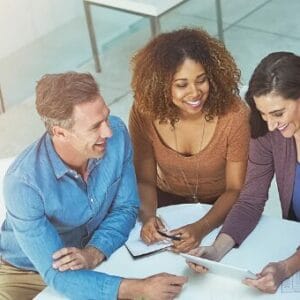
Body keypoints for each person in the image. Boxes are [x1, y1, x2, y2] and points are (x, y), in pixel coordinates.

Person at [0, 72, 187, 300]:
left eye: (106, 118)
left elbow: (125, 207)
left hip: (94, 255)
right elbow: (58, 274)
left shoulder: (116, 135)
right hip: (23, 272)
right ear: (60, 133)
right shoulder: (23, 183)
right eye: (95, 127)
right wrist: (139, 289)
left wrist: (93, 253)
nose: (108, 131)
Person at [129, 28, 250, 253]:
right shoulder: (143, 111)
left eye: (201, 80)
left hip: (220, 208)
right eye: (181, 85)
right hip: (166, 205)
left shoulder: (235, 115)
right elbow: (145, 180)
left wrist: (201, 227)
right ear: (161, 86)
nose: (195, 93)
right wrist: (148, 218)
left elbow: (235, 189)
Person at [187, 51, 300, 294]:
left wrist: (287, 267)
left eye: (278, 113)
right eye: (263, 113)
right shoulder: (270, 133)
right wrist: (216, 250)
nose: (271, 125)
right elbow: (250, 200)